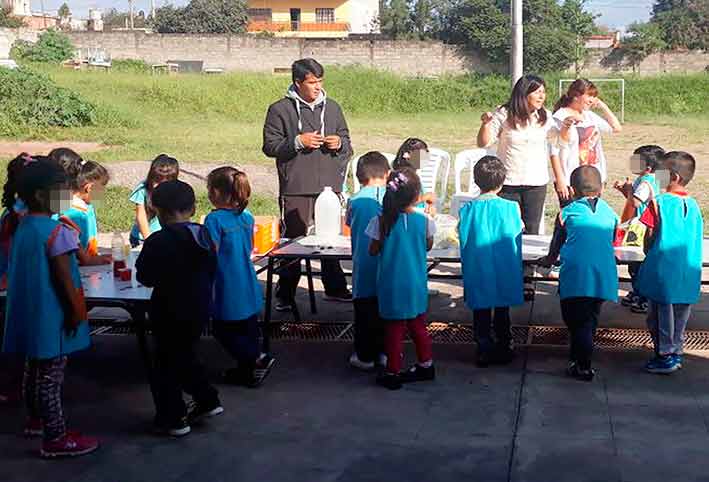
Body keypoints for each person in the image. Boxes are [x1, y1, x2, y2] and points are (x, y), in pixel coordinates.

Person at [2, 159, 99, 458]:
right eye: (61, 192)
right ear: (44, 196)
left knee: (34, 369)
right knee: (51, 377)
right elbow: (64, 278)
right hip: (53, 315)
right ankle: (56, 436)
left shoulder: (23, 226)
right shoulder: (56, 232)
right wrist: (76, 311)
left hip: (28, 313)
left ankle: (35, 421)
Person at [262, 58, 353, 311]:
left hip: (329, 187)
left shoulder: (332, 108)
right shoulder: (279, 109)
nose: (317, 87)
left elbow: (347, 141)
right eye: (312, 82)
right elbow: (270, 146)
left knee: (331, 239)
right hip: (296, 187)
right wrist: (297, 142)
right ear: (298, 83)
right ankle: (286, 294)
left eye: (320, 81)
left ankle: (335, 288)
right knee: (294, 241)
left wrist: (339, 143)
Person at [135, 180, 223, 437]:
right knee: (185, 355)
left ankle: (172, 417)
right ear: (193, 208)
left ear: (158, 212)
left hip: (167, 310)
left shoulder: (157, 241)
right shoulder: (203, 235)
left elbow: (145, 276)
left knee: (164, 365)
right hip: (199, 307)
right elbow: (211, 267)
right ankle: (207, 400)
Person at [477, 75, 564, 299]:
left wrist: (568, 127)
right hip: (508, 182)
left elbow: (559, 138)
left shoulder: (544, 117)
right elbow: (483, 142)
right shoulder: (504, 114)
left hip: (536, 182)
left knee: (532, 229)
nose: (542, 96)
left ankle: (527, 279)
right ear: (523, 94)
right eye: (537, 92)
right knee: (509, 229)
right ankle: (507, 275)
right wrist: (486, 123)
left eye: (543, 92)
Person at [539, 166, 619, 381]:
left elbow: (555, 246)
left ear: (572, 191)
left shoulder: (566, 213)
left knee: (576, 320)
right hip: (603, 276)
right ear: (601, 189)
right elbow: (610, 241)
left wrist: (547, 261)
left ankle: (583, 365)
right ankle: (579, 356)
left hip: (577, 276)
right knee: (590, 317)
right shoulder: (610, 213)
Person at [204, 167, 276, 387]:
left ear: (216, 192)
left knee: (222, 329)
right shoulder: (246, 217)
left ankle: (255, 358)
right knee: (248, 327)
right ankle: (247, 371)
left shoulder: (213, 220)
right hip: (246, 278)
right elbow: (252, 246)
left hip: (226, 283)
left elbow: (210, 251)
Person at [366, 168, 435, 390]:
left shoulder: (381, 221)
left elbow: (373, 250)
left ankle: (393, 371)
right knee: (418, 325)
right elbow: (428, 245)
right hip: (416, 283)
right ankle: (426, 364)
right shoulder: (425, 221)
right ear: (417, 196)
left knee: (394, 330)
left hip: (391, 284)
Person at [635, 151, 703, 375]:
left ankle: (664, 356)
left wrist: (647, 250)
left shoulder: (659, 203)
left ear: (672, 176)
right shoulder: (694, 206)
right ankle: (675, 350)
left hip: (663, 268)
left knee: (659, 316)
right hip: (688, 270)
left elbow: (649, 233)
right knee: (681, 313)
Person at [458, 156, 523, 367]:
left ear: (476, 181)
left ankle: (483, 349)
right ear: (502, 181)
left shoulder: (467, 209)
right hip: (504, 265)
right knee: (502, 310)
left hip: (478, 266)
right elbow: (518, 229)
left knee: (481, 311)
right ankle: (505, 345)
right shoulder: (511, 207)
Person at [345, 151, 389, 371]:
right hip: (389, 267)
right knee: (387, 315)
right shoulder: (394, 198)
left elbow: (348, 223)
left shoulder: (355, 201)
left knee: (364, 315)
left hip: (363, 267)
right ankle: (385, 353)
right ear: (387, 174)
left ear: (359, 176)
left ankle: (364, 356)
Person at [614, 145, 665, 314]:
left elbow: (635, 202)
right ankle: (638, 292)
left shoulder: (645, 182)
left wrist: (628, 190)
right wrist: (626, 191)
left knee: (637, 264)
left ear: (648, 168)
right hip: (645, 225)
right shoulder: (655, 178)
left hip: (642, 227)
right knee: (640, 263)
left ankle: (643, 296)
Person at [552, 79, 622, 201]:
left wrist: (602, 106)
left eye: (594, 96)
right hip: (572, 178)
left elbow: (616, 128)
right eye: (589, 95)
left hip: (594, 177)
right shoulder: (559, 116)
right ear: (576, 95)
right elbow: (554, 151)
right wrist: (560, 179)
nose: (592, 100)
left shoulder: (589, 115)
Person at [62, 157, 112, 266]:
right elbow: (80, 254)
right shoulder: (68, 214)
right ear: (89, 188)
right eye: (102, 189)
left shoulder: (86, 206)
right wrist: (90, 260)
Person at [129, 154, 180, 247]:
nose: (160, 186)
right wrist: (149, 240)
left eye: (165, 183)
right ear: (151, 177)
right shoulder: (143, 190)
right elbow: (141, 217)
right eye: (157, 181)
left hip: (165, 237)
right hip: (142, 238)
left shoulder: (176, 191)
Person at [392, 138, 436, 215]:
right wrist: (424, 198)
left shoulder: (414, 174)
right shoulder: (402, 176)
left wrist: (429, 205)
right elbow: (401, 203)